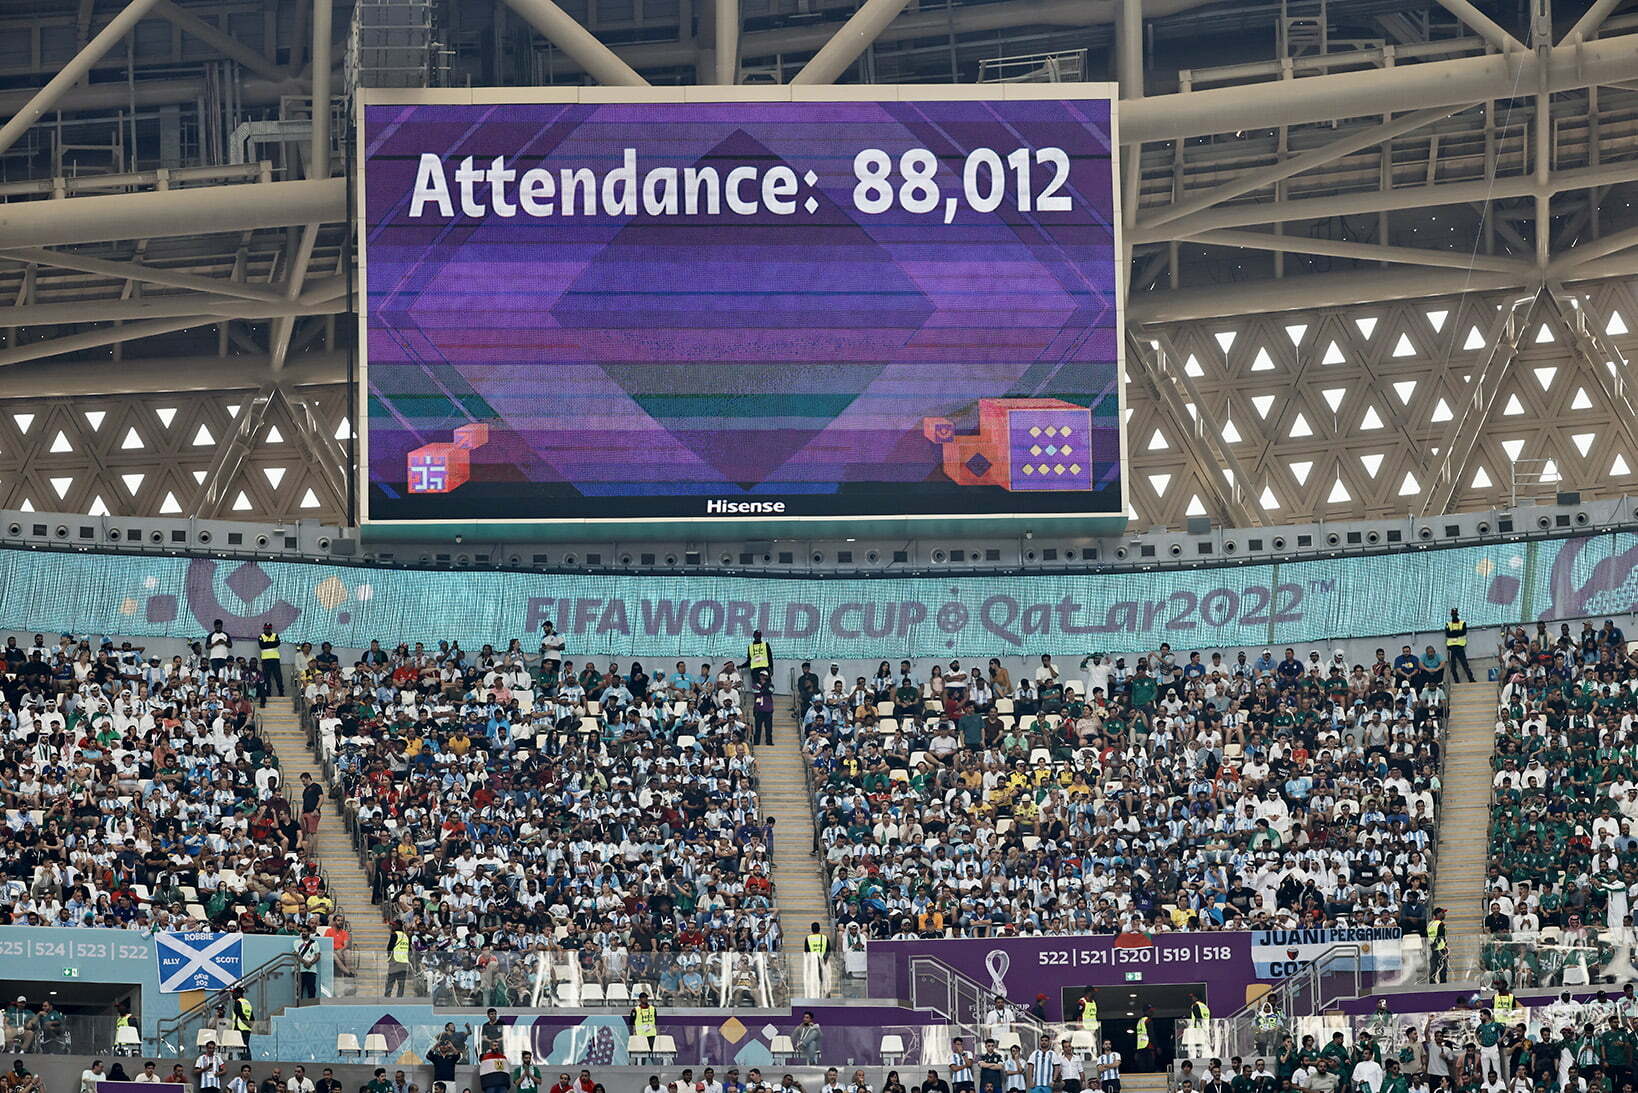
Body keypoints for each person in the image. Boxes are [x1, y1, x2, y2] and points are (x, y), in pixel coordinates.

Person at [1446, 608, 1475, 683]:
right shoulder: (1448, 624)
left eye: (1455, 614)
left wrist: (1454, 632)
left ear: (1457, 615)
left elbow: (1463, 632)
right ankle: (1457, 681)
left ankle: (1471, 679)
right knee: (1453, 666)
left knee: (1465, 664)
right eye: (1453, 615)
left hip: (1460, 647)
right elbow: (1448, 634)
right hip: (1452, 648)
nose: (1454, 616)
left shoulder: (1463, 623)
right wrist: (1458, 632)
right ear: (1451, 615)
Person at [258, 622, 284, 704]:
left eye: (269, 628)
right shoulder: (261, 636)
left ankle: (281, 692)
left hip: (275, 659)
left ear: (271, 629)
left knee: (278, 677)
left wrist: (267, 644)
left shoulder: (275, 635)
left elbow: (277, 643)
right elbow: (262, 646)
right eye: (266, 628)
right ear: (264, 628)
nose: (267, 630)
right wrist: (272, 644)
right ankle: (267, 693)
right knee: (266, 678)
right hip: (265, 660)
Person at [386, 927, 412, 997]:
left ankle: (387, 999)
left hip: (395, 962)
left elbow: (389, 948)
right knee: (401, 984)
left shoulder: (394, 935)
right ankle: (399, 1000)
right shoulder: (406, 936)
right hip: (404, 963)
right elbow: (409, 950)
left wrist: (389, 958)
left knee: (390, 982)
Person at [297, 928, 321, 1001]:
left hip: (311, 971)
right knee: (298, 991)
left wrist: (310, 963)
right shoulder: (297, 942)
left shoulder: (315, 943)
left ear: (309, 932)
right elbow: (296, 954)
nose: (303, 933)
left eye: (305, 931)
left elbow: (318, 955)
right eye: (302, 931)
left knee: (311, 990)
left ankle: (311, 1008)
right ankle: (298, 1008)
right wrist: (305, 962)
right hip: (300, 970)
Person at [1428, 908, 1449, 983]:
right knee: (1443, 970)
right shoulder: (1441, 924)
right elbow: (1440, 937)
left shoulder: (1430, 924)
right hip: (1441, 949)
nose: (1444, 914)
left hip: (1431, 950)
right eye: (1443, 912)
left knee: (1433, 970)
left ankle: (1432, 988)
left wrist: (1432, 946)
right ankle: (1443, 988)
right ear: (1438, 914)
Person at [1135, 1006, 1156, 1073]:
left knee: (1142, 1064)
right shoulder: (1148, 1020)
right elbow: (1151, 1034)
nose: (1152, 1012)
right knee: (1150, 1064)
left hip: (1140, 1046)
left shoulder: (1140, 1021)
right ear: (1146, 1011)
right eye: (1151, 1011)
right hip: (1148, 1045)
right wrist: (1156, 1046)